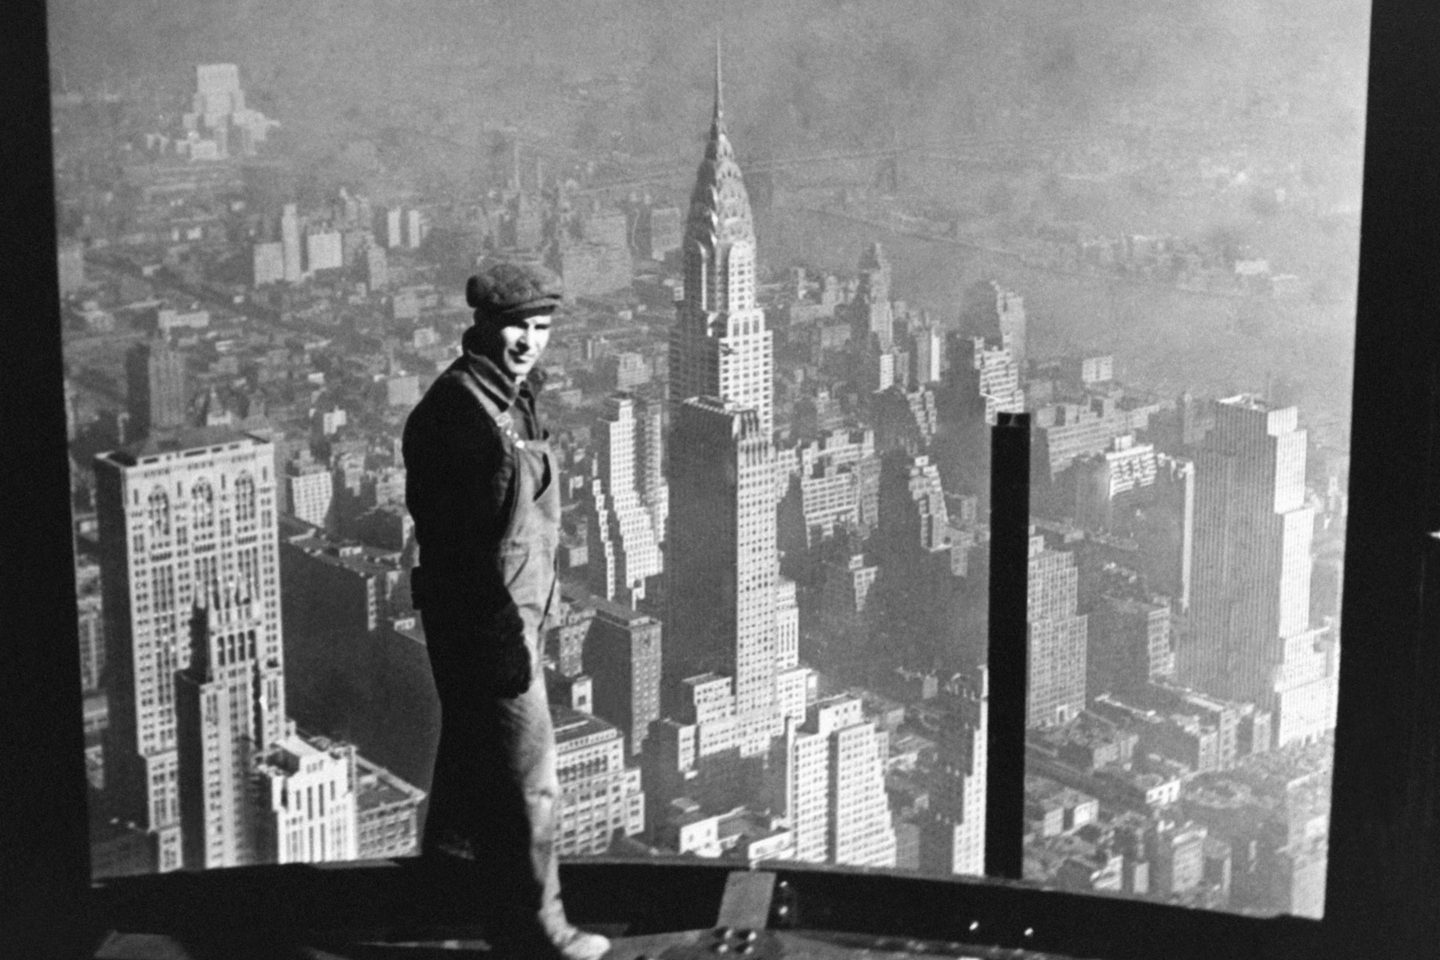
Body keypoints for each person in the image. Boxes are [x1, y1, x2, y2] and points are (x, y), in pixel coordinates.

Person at [403, 260, 610, 960]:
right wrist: (502, 644)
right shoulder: (455, 414)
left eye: (541, 327)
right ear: (484, 329)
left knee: (469, 755)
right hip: (484, 622)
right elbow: (458, 549)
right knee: (531, 780)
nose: (529, 340)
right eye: (516, 326)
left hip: (520, 612)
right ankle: (538, 930)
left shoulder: (514, 398)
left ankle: (440, 894)